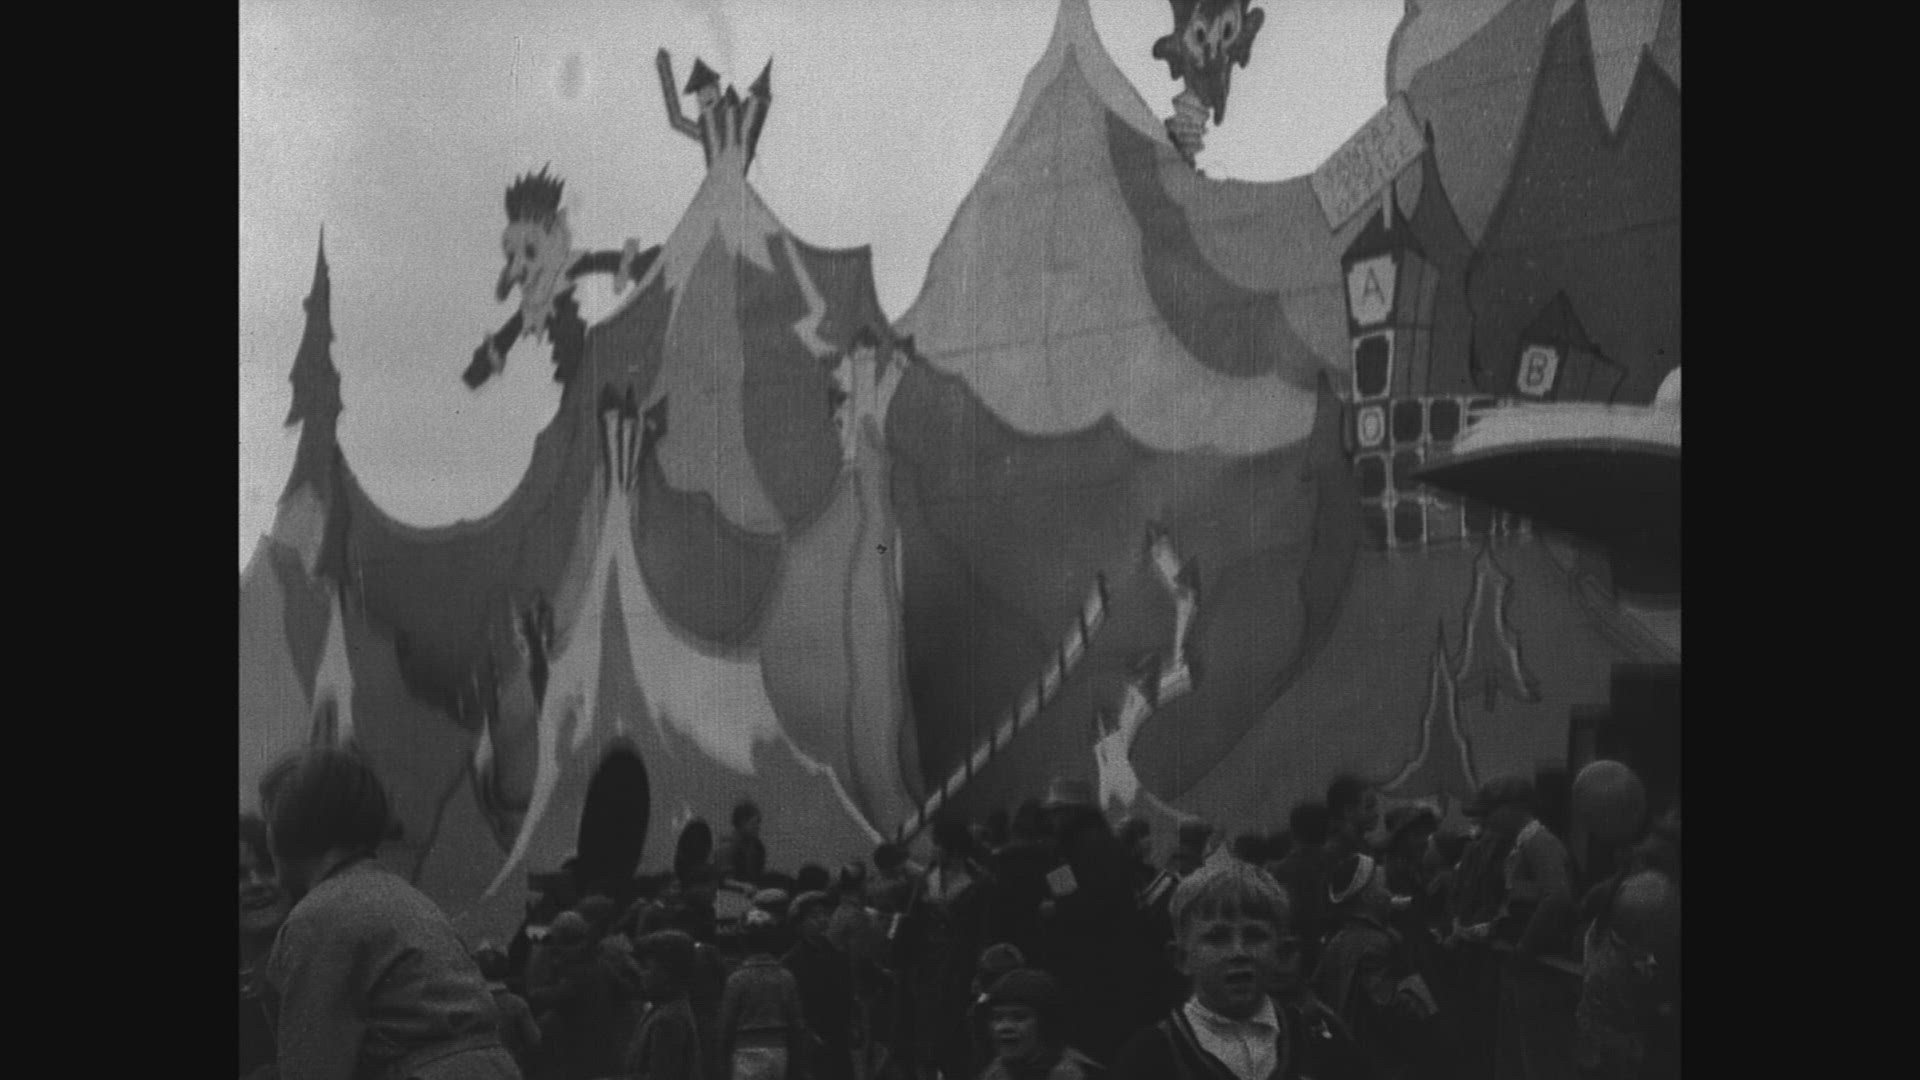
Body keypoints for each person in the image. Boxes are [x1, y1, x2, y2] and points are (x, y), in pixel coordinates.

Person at [259, 747, 521, 1079]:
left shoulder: (317, 918)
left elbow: (312, 1067)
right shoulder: (404, 897)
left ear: (290, 828)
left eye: (269, 820)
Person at [1108, 860, 1373, 1080]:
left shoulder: (1316, 1038)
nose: (1239, 952)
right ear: (1181, 958)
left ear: (1280, 952)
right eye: (1217, 938)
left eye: (1255, 936)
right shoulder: (1152, 1056)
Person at [1312, 855, 1436, 1080]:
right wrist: (1424, 1008)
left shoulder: (1338, 939)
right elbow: (1389, 1005)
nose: (1390, 895)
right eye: (1385, 887)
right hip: (1378, 1061)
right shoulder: (1376, 943)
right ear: (1368, 897)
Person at [718, 912, 811, 1080]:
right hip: (779, 1050)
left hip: (745, 1051)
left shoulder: (737, 980)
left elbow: (726, 1024)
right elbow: (797, 1023)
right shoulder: (785, 977)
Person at [977, 968, 1107, 1080]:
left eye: (1019, 1017)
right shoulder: (991, 1075)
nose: (1004, 1027)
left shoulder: (1081, 1074)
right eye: (997, 1018)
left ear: (1045, 1023)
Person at [786, 891, 857, 1080]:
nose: (822, 920)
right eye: (814, 916)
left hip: (839, 1038)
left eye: (825, 914)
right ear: (799, 924)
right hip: (810, 1041)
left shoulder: (838, 956)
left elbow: (848, 995)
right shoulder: (792, 962)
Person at [625, 930, 707, 1080]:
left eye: (647, 968)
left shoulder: (667, 1019)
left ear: (667, 972)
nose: (641, 974)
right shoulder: (666, 1008)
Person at [1268, 801, 1334, 969]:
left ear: (1294, 832)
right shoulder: (1335, 863)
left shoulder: (1282, 870)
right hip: (1330, 943)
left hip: (1298, 947)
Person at [1325, 775, 1381, 861]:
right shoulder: (1340, 854)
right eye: (1369, 806)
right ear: (1349, 811)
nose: (1376, 813)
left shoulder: (1361, 845)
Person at [717, 799, 769, 888]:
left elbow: (759, 876)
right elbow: (724, 881)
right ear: (742, 823)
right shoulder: (727, 847)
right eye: (754, 823)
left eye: (758, 823)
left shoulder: (757, 847)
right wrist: (744, 886)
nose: (758, 827)